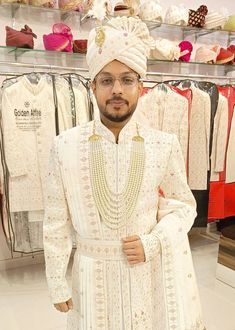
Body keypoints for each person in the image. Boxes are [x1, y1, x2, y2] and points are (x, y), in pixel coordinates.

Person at [43, 16, 205, 330]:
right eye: (106, 80)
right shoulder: (64, 147)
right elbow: (55, 221)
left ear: (140, 86)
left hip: (144, 274)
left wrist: (155, 241)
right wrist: (56, 280)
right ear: (93, 86)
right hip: (90, 277)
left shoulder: (163, 144)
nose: (117, 90)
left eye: (127, 80)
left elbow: (184, 206)